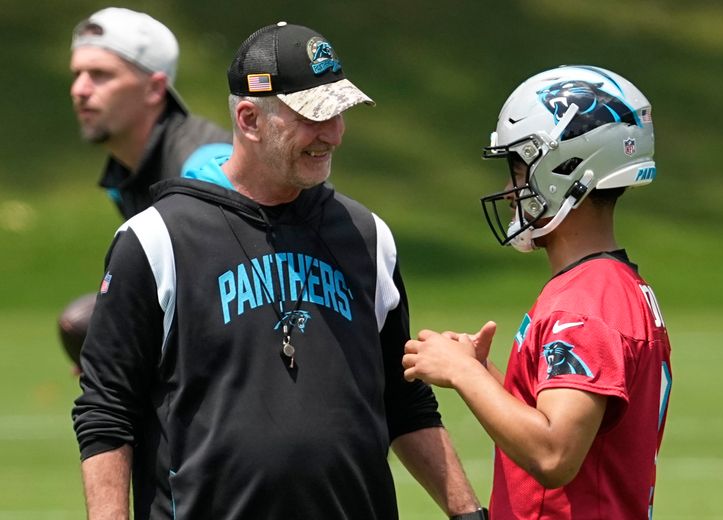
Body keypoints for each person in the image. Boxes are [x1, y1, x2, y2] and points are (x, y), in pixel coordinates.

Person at [72, 22, 487, 520]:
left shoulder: (366, 236)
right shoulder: (156, 239)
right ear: (249, 118)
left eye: (338, 114)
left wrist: (468, 513)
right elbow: (106, 412)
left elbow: (406, 402)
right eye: (312, 117)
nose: (332, 135)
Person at [402, 65, 672, 519]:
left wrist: (462, 377)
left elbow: (553, 454)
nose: (510, 191)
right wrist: (485, 374)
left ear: (565, 167)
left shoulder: (586, 304)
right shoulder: (609, 287)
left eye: (518, 169)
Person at [59, 7, 233, 370]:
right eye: (78, 73)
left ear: (155, 88)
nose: (79, 89)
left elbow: (248, 292)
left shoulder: (206, 170)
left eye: (100, 75)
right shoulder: (125, 177)